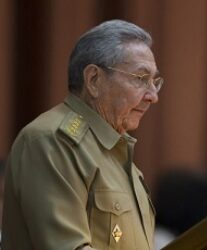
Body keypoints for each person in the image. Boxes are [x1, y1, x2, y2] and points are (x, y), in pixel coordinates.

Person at [2, 19, 163, 250]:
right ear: (94, 80)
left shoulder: (115, 150)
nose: (152, 96)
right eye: (141, 79)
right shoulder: (52, 141)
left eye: (154, 82)